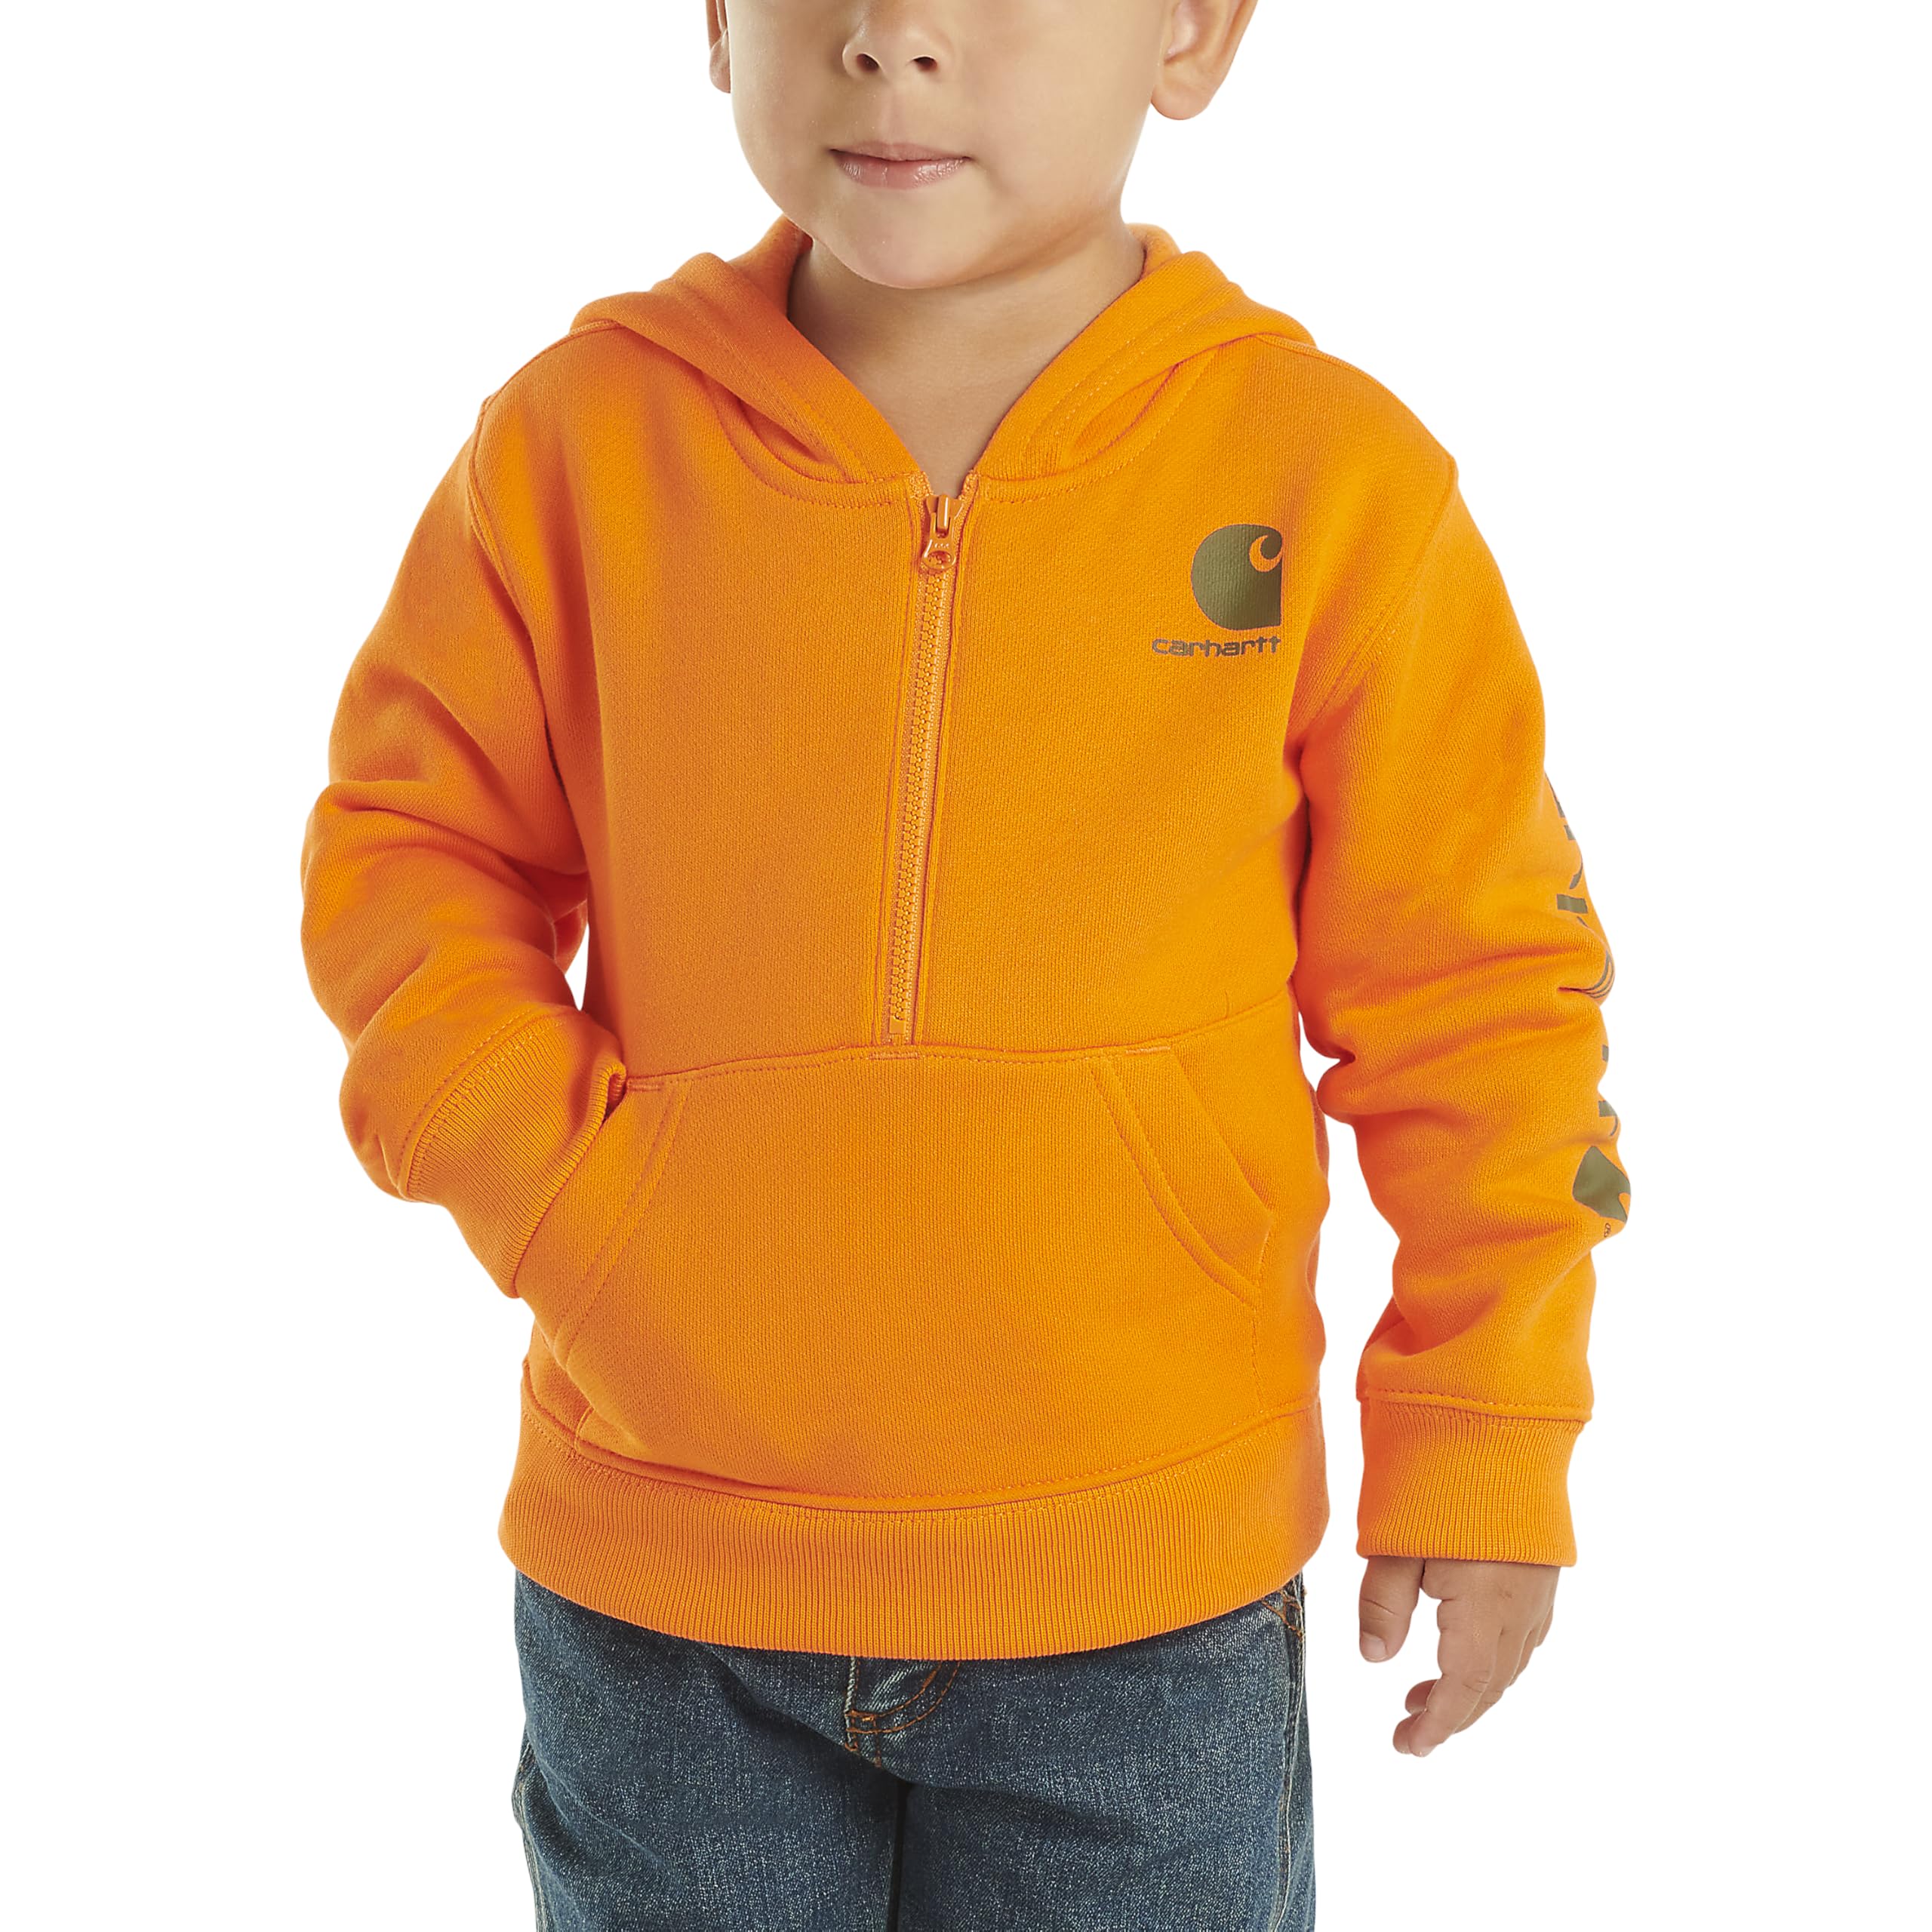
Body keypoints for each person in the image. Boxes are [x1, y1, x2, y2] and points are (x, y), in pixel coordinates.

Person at [297, 2, 1632, 1925]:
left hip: (1143, 1608)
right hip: (666, 1594)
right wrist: (573, 1203)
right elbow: (411, 856)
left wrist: (1486, 1431)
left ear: (1188, 34)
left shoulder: (1330, 479)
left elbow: (1478, 994)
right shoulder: (573, 445)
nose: (891, 37)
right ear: (717, 21)